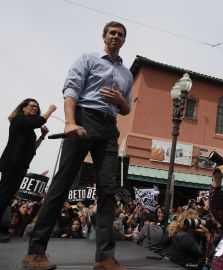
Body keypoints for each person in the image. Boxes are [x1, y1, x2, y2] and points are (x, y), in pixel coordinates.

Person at [24, 21, 132, 270]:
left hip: (109, 127)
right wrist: (70, 122)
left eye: (120, 34)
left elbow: (126, 108)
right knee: (62, 183)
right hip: (84, 118)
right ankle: (35, 252)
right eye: (112, 33)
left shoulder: (126, 74)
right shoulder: (88, 58)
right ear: (104, 36)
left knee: (108, 189)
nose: (116, 37)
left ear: (124, 40)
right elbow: (71, 89)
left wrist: (119, 100)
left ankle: (104, 258)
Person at [0, 98, 56, 241]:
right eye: (32, 106)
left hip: (21, 166)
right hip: (12, 163)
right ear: (23, 108)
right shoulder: (19, 120)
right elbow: (39, 121)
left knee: (6, 197)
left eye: (37, 107)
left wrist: (42, 136)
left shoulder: (29, 130)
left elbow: (32, 149)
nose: (35, 108)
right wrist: (49, 110)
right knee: (3, 196)